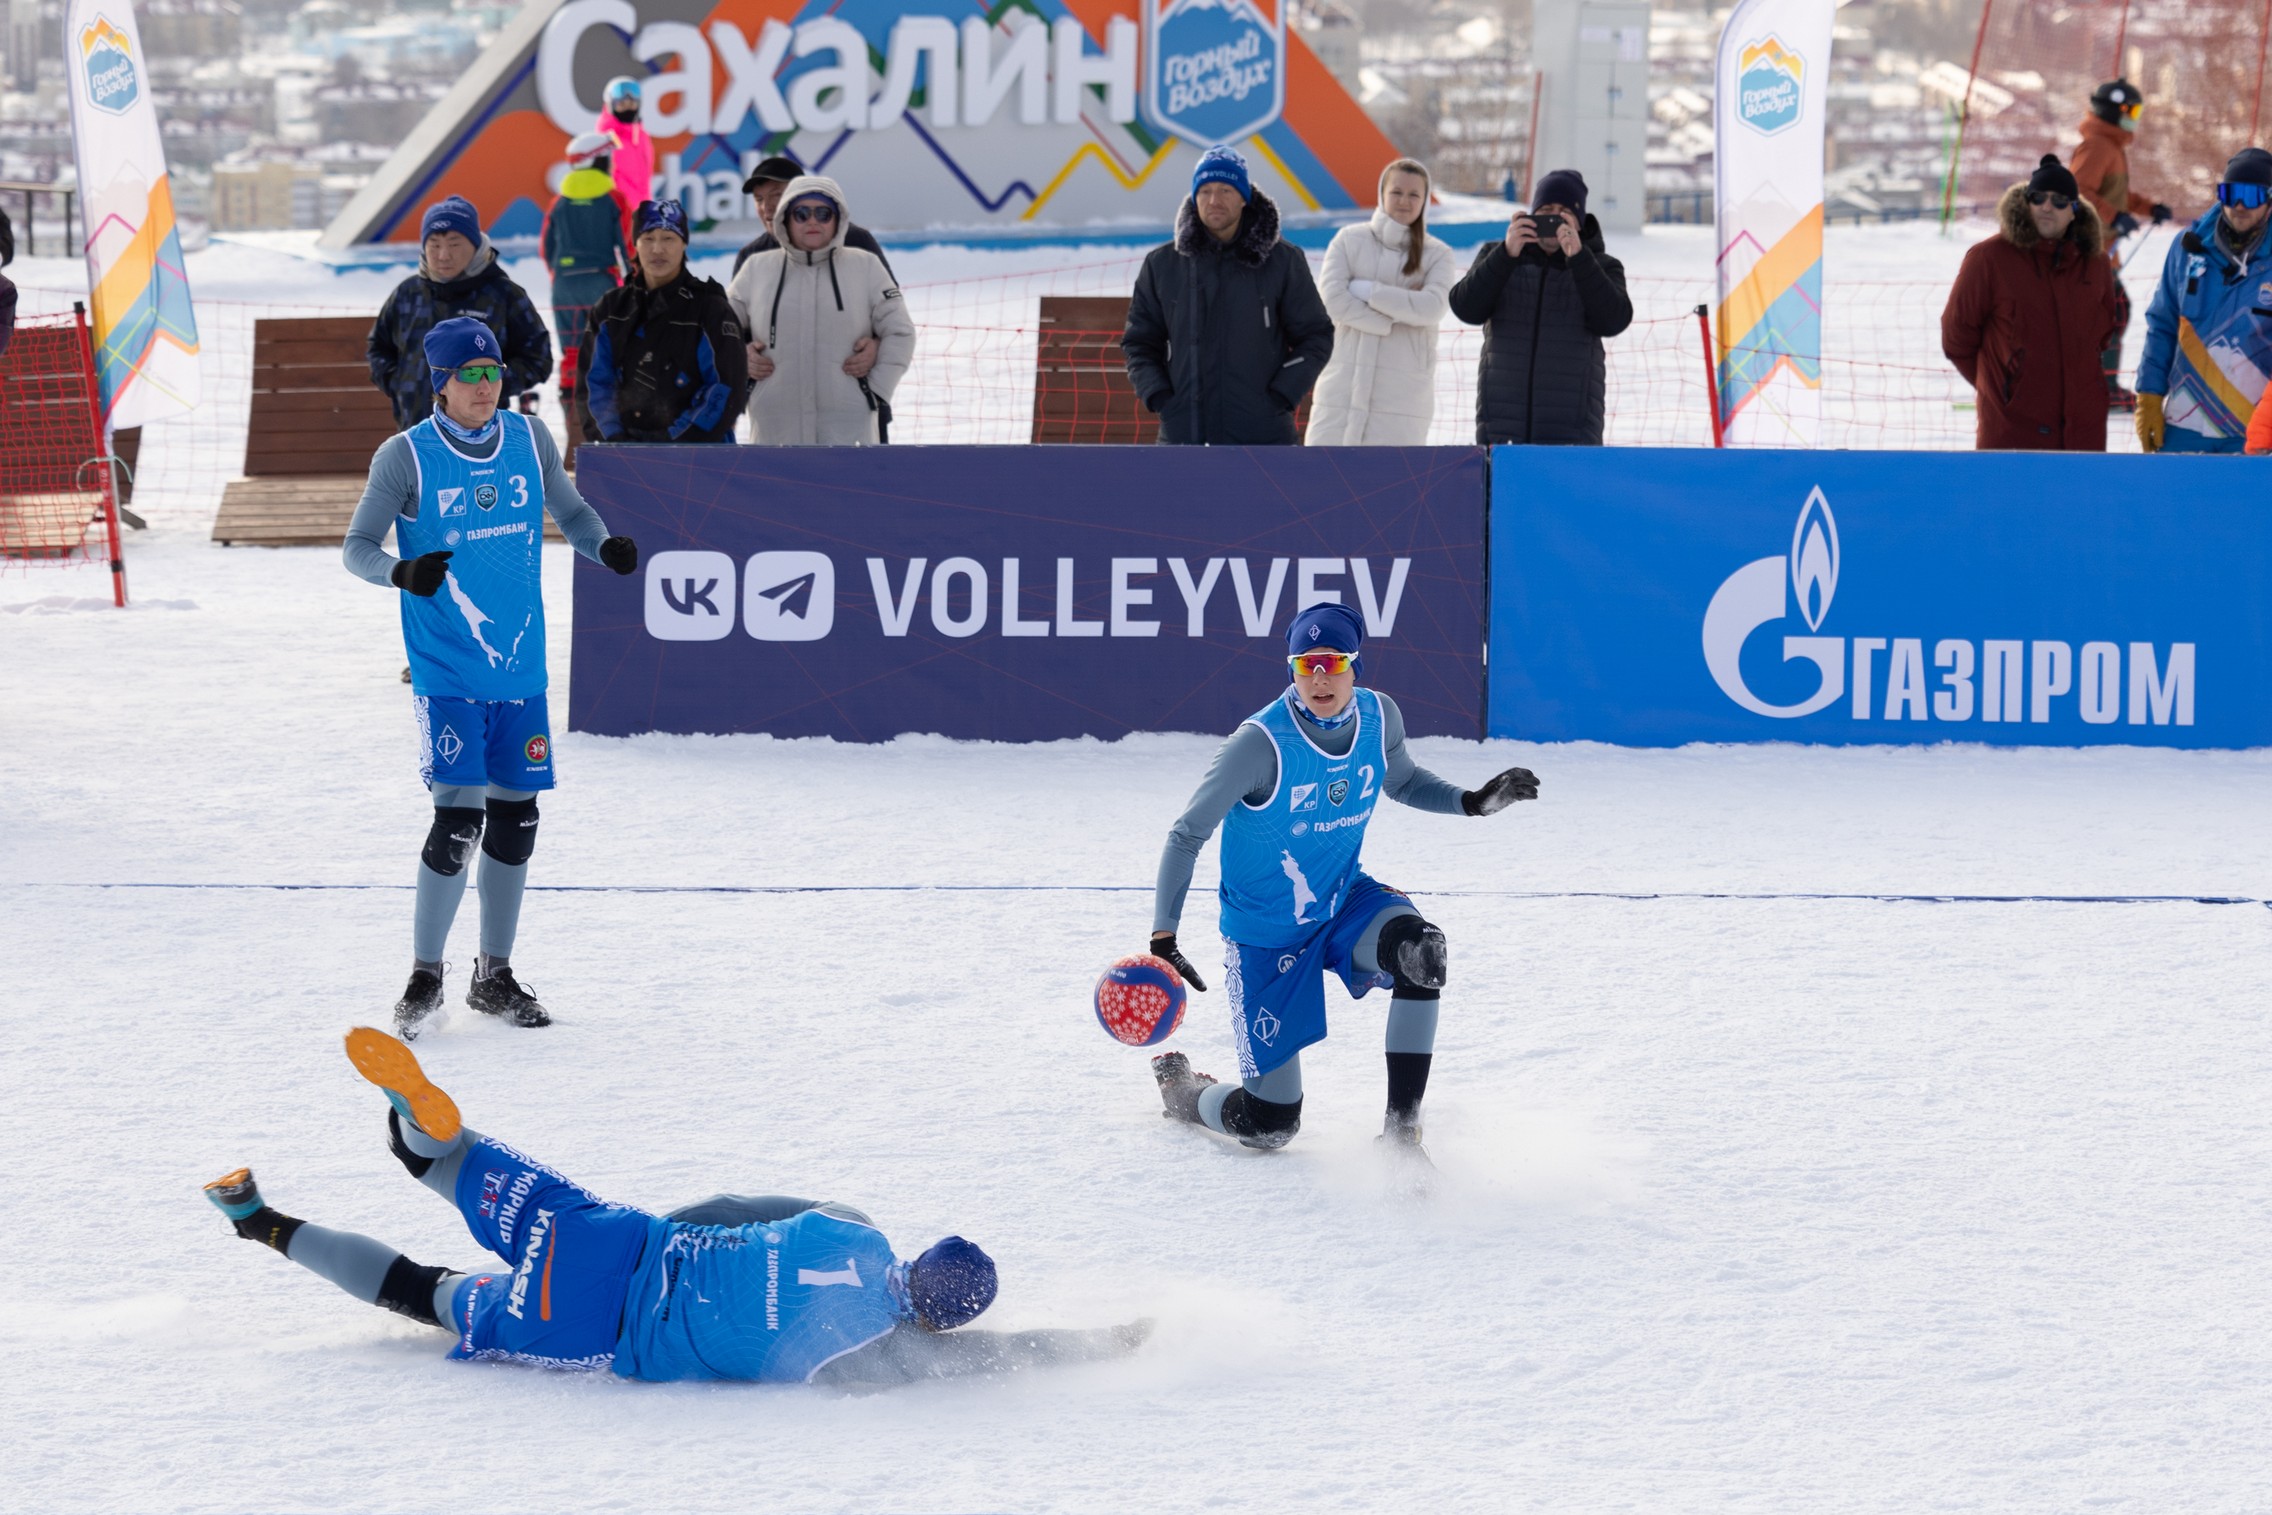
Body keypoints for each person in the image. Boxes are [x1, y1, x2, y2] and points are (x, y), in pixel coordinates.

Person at [203, 1027, 1147, 1386]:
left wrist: (653, 1231)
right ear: (936, 1321)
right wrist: (1104, 1340)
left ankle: (415, 1123)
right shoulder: (872, 1354)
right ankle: (261, 1222)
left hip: (614, 1237)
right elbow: (998, 1357)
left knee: (446, 1165)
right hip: (586, 1325)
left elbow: (729, 1203)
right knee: (427, 1291)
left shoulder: (849, 1223)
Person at [1146, 603, 1540, 1158]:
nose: (1320, 678)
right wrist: (1164, 936)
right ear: (1291, 670)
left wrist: (1471, 803)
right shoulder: (1258, 744)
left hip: (1342, 902)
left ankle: (1402, 1134)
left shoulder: (1381, 716)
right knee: (1270, 1126)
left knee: (1421, 952)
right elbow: (1186, 833)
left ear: (1356, 665)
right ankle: (1183, 1091)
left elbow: (1401, 780)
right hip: (1266, 935)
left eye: (1332, 662)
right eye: (1306, 665)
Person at [341, 317, 638, 1036]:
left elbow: (567, 508)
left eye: (492, 371)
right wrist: (400, 572)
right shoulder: (405, 456)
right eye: (468, 374)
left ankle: (493, 975)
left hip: (520, 671)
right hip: (447, 671)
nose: (484, 385)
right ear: (439, 382)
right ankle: (424, 975)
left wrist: (603, 546)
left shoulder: (529, 439)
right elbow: (356, 547)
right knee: (457, 821)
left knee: (515, 823)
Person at [1122, 145, 1334, 445]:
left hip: (1264, 435)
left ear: (1244, 197)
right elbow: (1139, 341)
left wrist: (1281, 394)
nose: (1214, 200)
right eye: (1205, 190)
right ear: (1194, 197)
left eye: (1226, 189)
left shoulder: (1283, 261)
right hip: (1184, 435)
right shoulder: (1162, 264)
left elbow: (1316, 335)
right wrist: (1160, 396)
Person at [1940, 155, 2121, 451]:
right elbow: (1956, 338)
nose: (2047, 206)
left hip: (2083, 431)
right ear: (2027, 202)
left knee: (2080, 498)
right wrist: (2005, 390)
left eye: (2060, 200)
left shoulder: (2096, 262)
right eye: (2038, 198)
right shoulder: (1989, 259)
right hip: (2012, 431)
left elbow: (2100, 335)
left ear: (2074, 210)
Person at [1448, 168, 1632, 446]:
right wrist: (1505, 255)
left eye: (1563, 213)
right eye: (1546, 210)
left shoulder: (1602, 265)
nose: (1553, 219)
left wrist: (1579, 259)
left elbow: (1614, 320)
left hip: (1573, 430)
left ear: (1579, 221)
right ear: (1532, 214)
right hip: (1500, 426)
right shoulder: (1498, 256)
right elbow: (1465, 308)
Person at [727, 175, 913, 445]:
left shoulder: (866, 266)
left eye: (823, 213)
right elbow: (719, 332)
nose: (812, 221)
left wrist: (875, 391)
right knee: (778, 488)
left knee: (847, 489)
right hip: (775, 427)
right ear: (786, 220)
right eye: (801, 214)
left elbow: (900, 332)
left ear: (838, 219)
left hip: (848, 429)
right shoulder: (756, 268)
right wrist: (741, 360)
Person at [368, 196, 553, 433]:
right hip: (416, 430)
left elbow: (538, 357)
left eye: (454, 244)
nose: (443, 254)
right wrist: (399, 382)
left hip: (482, 432)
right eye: (434, 245)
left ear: (476, 246)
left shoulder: (504, 294)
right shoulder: (407, 294)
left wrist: (489, 382)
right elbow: (378, 347)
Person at [1306, 158, 1456, 446]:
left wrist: (1369, 291)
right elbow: (1333, 300)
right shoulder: (1348, 240)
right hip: (1341, 391)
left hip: (1402, 400)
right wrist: (1392, 318)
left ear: (1424, 201)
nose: (1404, 201)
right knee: (1323, 482)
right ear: (1382, 195)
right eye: (1396, 192)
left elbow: (1432, 307)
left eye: (1414, 194)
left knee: (1392, 484)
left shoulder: (1438, 254)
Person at [2135, 148, 2272, 454]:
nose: (2238, 205)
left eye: (2251, 196)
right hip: (2185, 422)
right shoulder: (2188, 248)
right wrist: (2150, 395)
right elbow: (2162, 324)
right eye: (2229, 193)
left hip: (2251, 431)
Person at [580, 199, 748, 443]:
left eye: (668, 238)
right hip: (622, 457)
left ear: (684, 244)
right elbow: (593, 385)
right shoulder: (610, 309)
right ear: (635, 244)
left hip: (699, 457)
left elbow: (724, 388)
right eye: (648, 238)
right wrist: (615, 441)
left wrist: (670, 443)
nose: (657, 249)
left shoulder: (710, 308)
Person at [2071, 79, 2174, 407]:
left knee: (2110, 313)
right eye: (2131, 110)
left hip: (2103, 250)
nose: (2135, 118)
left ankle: (2099, 385)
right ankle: (2100, 388)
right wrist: (2114, 216)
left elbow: (2114, 194)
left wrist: (2148, 208)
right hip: (2087, 248)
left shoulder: (2110, 145)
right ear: (2113, 110)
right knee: (2112, 312)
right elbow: (2076, 191)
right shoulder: (2098, 146)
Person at [541, 132, 631, 447]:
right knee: (608, 354)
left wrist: (561, 276)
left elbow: (546, 247)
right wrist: (634, 283)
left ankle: (575, 429)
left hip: (564, 286)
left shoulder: (559, 201)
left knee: (571, 356)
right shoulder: (613, 197)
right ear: (598, 159)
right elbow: (628, 243)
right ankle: (608, 431)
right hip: (601, 282)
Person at [731, 155, 894, 281]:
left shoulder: (856, 240)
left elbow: (888, 309)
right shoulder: (750, 256)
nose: (766, 207)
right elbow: (737, 320)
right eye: (759, 199)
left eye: (777, 195)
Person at [595, 76, 654, 239]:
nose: (628, 109)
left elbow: (643, 179)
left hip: (639, 217)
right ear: (610, 105)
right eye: (621, 105)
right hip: (617, 217)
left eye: (633, 104)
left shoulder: (640, 135)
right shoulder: (605, 140)